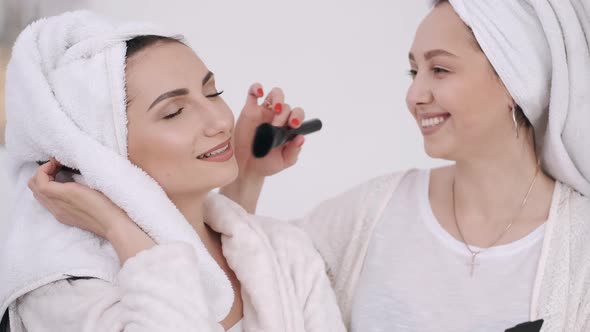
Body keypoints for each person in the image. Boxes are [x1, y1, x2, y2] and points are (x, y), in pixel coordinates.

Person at [221, 0, 590, 331]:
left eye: (440, 69)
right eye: (414, 72)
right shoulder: (371, 214)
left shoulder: (580, 247)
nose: (414, 96)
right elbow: (234, 295)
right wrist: (247, 174)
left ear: (515, 80)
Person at [0, 11, 345, 332]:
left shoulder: (286, 252)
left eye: (213, 92)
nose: (220, 120)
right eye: (174, 112)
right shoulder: (67, 291)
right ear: (101, 151)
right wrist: (115, 225)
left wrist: (246, 174)